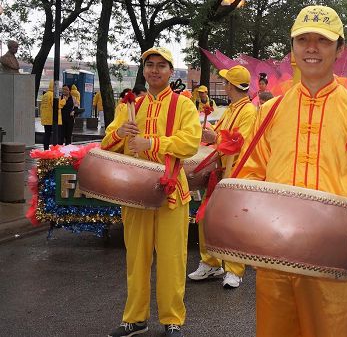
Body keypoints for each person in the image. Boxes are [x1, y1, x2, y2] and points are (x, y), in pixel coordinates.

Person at [235, 5, 347, 337]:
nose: (311, 48)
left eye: (323, 41)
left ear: (339, 49)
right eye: (303, 40)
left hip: (336, 256)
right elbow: (250, 173)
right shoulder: (270, 112)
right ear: (293, 49)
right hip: (276, 254)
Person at [103, 47, 201, 337]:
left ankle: (173, 320)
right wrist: (121, 134)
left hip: (171, 191)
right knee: (136, 257)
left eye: (161, 65)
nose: (155, 71)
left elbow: (190, 142)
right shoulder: (130, 106)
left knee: (173, 258)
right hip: (135, 193)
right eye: (150, 65)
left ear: (171, 71)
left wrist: (152, 143)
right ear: (143, 70)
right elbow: (106, 142)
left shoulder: (183, 105)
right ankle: (135, 318)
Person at [189, 65, 257, 289]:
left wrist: (215, 136)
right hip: (220, 172)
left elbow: (239, 142)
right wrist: (210, 135)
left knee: (233, 222)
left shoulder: (248, 111)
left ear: (231, 86)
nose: (224, 85)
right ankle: (210, 262)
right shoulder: (231, 109)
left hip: (237, 174)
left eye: (226, 82)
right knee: (207, 215)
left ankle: (235, 270)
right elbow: (221, 137)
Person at [40, 80, 64, 150]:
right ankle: (55, 150)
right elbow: (56, 106)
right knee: (56, 135)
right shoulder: (53, 95)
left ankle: (46, 149)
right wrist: (63, 101)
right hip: (52, 118)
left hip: (46, 118)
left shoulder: (45, 95)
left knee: (47, 134)